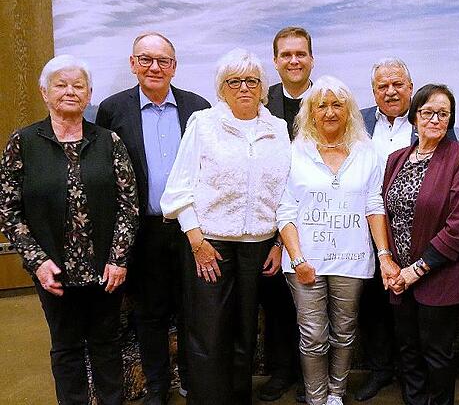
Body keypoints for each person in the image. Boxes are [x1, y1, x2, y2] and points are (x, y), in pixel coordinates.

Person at [0, 54, 139, 404]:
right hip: (53, 271)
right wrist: (37, 261)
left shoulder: (109, 141)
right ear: (45, 92)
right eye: (60, 84)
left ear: (89, 94)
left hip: (105, 270)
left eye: (78, 85)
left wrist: (119, 258)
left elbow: (128, 204)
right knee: (66, 348)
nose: (70, 91)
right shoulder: (24, 142)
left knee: (107, 345)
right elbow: (8, 208)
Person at [160, 48, 291, 404]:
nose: (244, 87)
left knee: (245, 332)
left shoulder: (277, 129)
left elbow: (286, 191)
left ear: (263, 87)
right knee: (209, 332)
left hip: (259, 245)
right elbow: (178, 189)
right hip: (210, 244)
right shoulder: (203, 124)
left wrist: (278, 242)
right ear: (222, 88)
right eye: (235, 81)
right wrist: (196, 239)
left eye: (252, 81)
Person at [96, 32, 210, 404]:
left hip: (192, 231)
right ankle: (157, 389)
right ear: (133, 64)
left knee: (194, 311)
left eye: (163, 61)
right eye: (146, 59)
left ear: (174, 67)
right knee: (149, 316)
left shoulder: (198, 108)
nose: (154, 67)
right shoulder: (113, 110)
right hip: (143, 232)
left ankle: (193, 384)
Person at [277, 75, 395, 405]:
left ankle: (336, 396)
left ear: (349, 111)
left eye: (337, 105)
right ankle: (317, 399)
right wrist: (297, 258)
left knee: (344, 334)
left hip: (353, 259)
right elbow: (284, 209)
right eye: (322, 106)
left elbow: (374, 204)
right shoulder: (295, 151)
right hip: (305, 261)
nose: (330, 112)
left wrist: (384, 254)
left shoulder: (366, 151)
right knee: (313, 336)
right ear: (311, 112)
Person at [355, 57, 456, 402]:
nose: (391, 91)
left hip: (418, 239)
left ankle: (417, 381)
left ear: (411, 89)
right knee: (374, 306)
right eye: (382, 86)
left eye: (398, 84)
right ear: (373, 92)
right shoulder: (361, 121)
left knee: (417, 319)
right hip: (367, 229)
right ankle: (381, 370)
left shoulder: (429, 120)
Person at [383, 84, 459, 405]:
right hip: (398, 277)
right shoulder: (397, 159)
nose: (435, 119)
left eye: (443, 114)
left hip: (439, 274)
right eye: (428, 112)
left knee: (437, 355)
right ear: (414, 117)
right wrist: (391, 265)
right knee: (408, 351)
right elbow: (385, 212)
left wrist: (416, 270)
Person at [258, 25, 314, 403]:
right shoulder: (260, 103)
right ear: (275, 61)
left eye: (301, 53)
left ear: (311, 58)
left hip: (322, 220)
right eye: (286, 55)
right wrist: (279, 238)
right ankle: (282, 373)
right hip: (274, 224)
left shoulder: (329, 99)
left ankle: (317, 379)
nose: (294, 60)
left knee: (317, 307)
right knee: (278, 305)